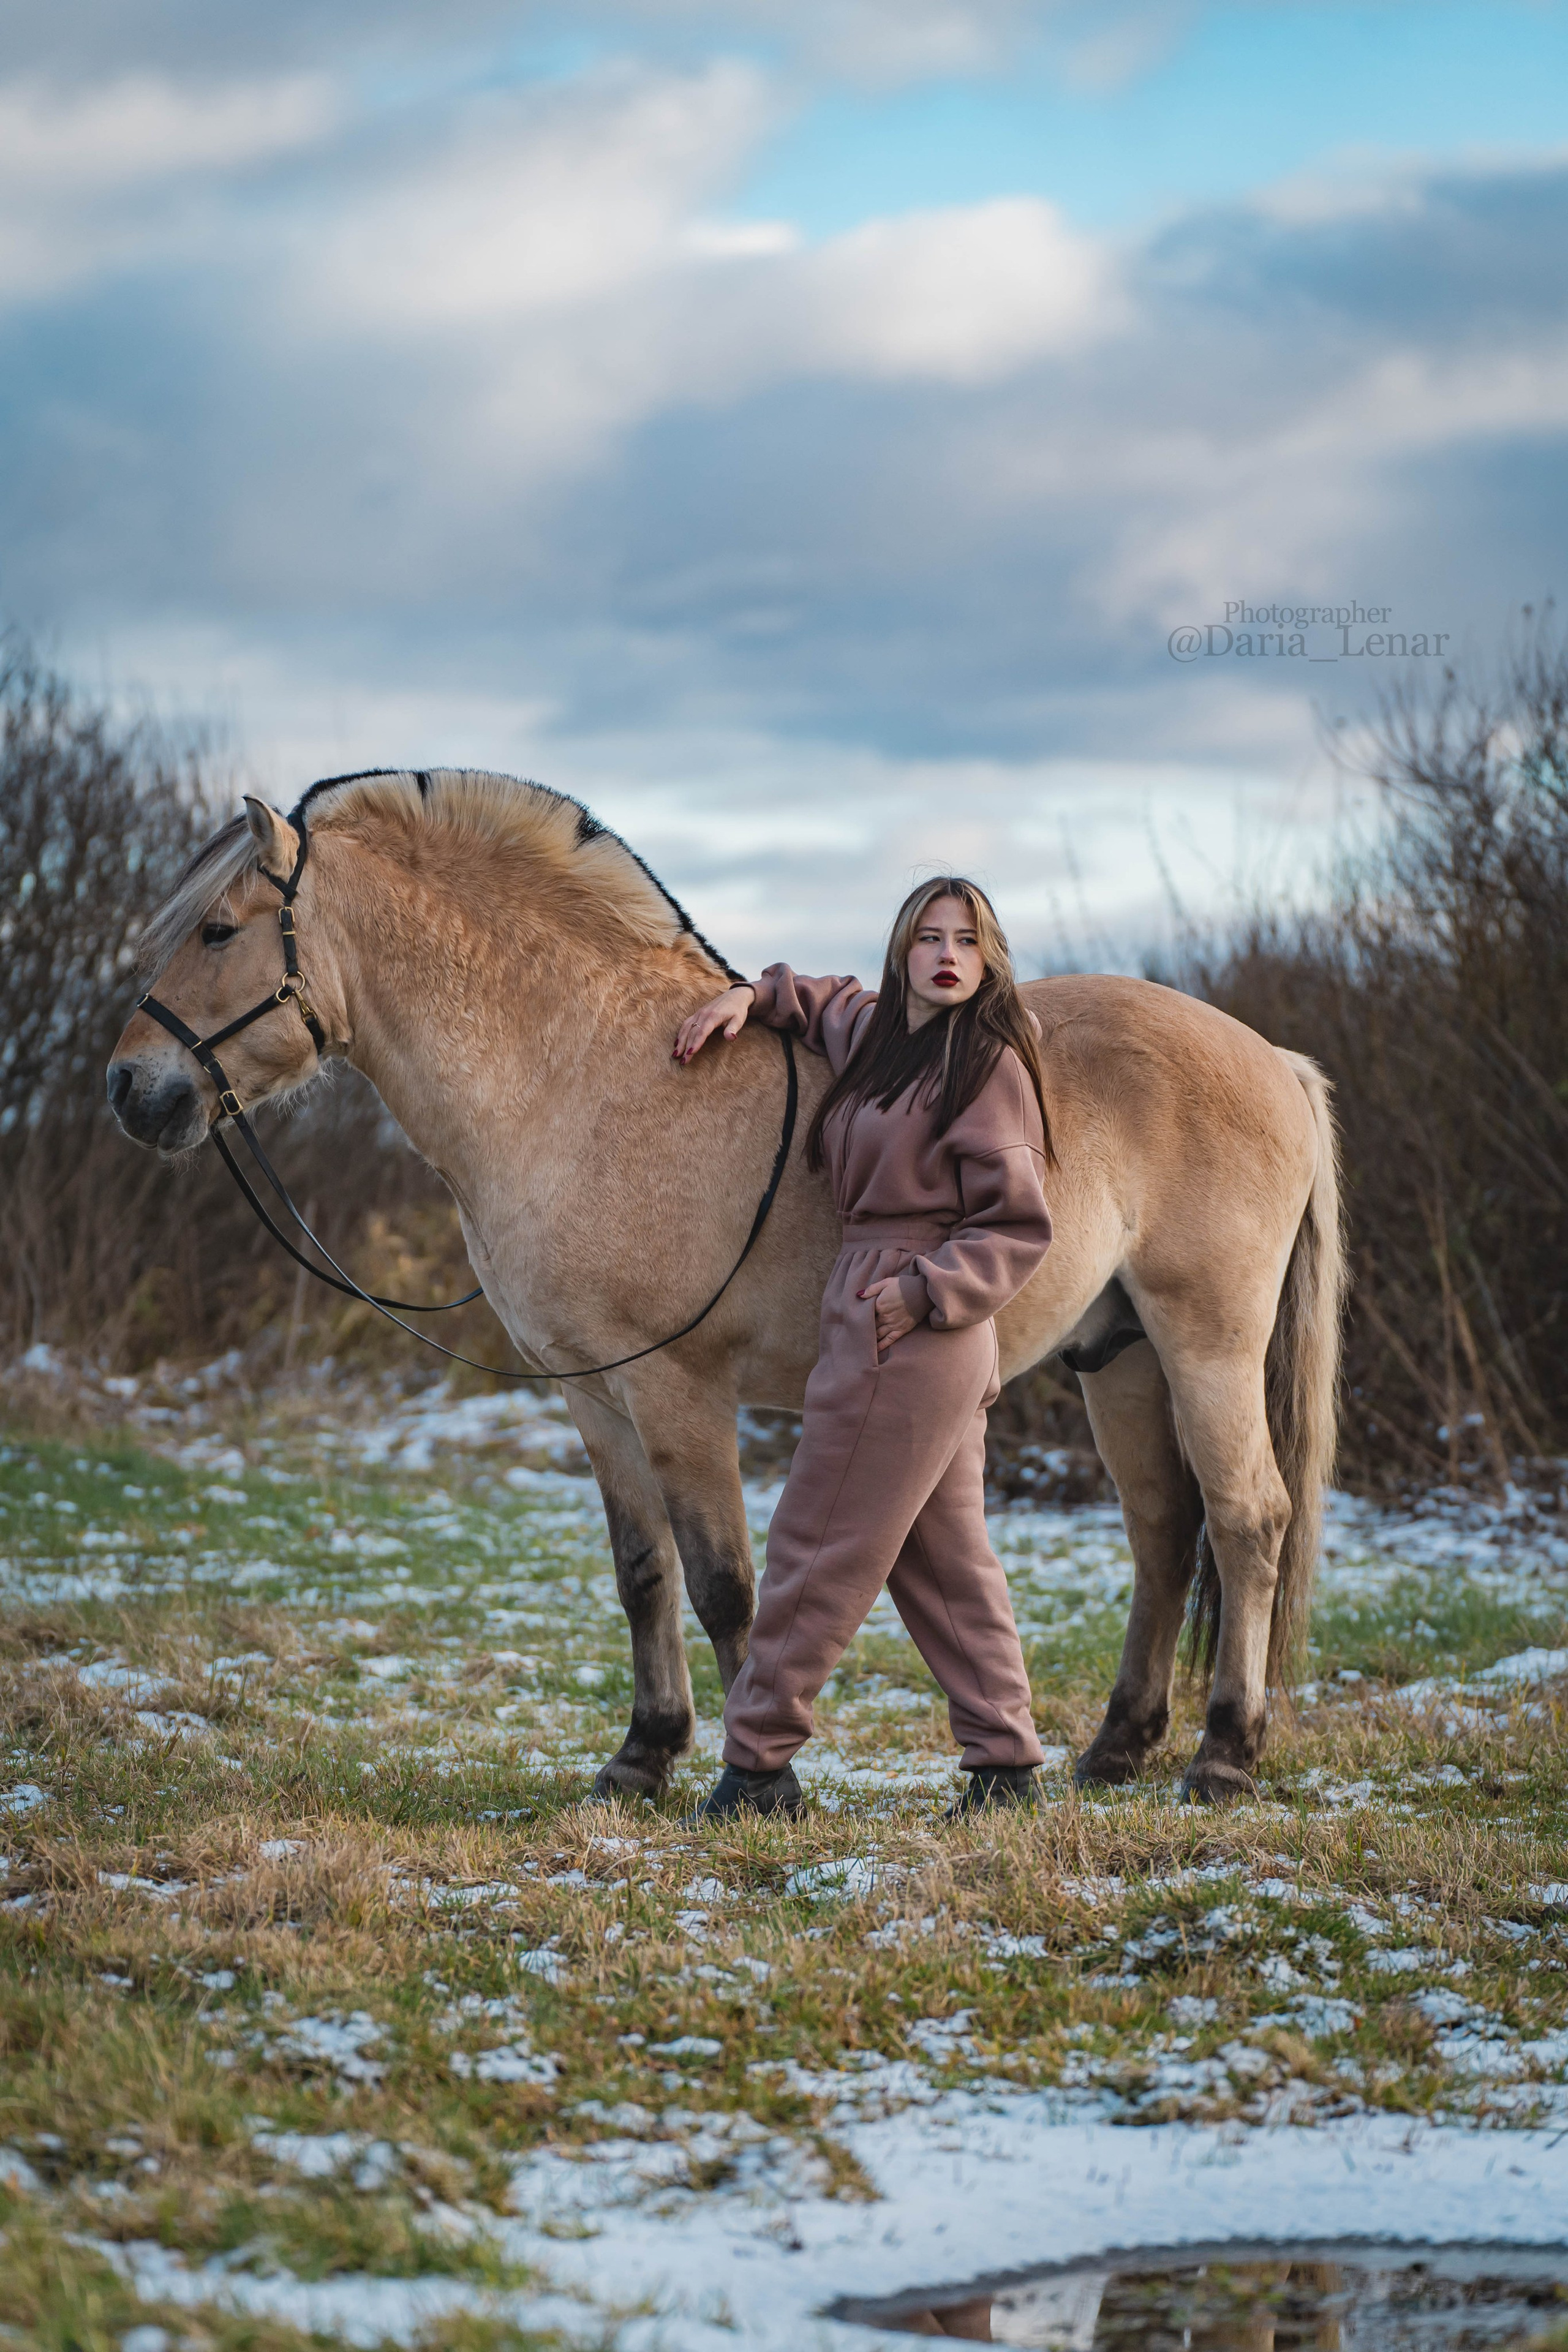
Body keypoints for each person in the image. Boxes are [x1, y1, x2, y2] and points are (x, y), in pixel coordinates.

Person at [674, 877, 1055, 1820]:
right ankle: (1005, 1768)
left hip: (916, 1321)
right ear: (904, 951)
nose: (948, 955)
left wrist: (921, 1296)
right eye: (929, 938)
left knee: (818, 1538)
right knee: (943, 1555)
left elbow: (1016, 1225)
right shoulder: (884, 1036)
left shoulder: (985, 1065)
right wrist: (748, 998)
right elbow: (822, 1002)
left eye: (968, 940)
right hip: (882, 1306)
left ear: (990, 956)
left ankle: (757, 1768)